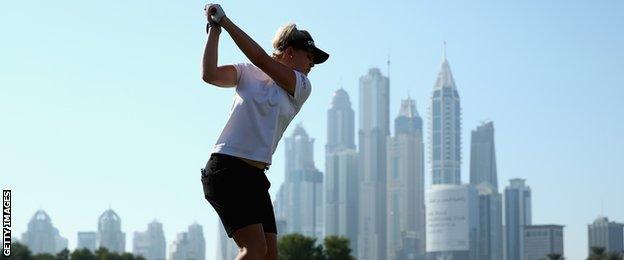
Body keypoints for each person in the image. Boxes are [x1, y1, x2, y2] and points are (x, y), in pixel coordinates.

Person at [199, 4, 329, 260]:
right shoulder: (247, 72)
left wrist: (225, 21)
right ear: (290, 53)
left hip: (255, 178)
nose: (312, 63)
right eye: (309, 56)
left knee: (269, 256)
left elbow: (261, 58)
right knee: (255, 250)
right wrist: (216, 28)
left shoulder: (301, 86)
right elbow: (210, 74)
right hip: (226, 170)